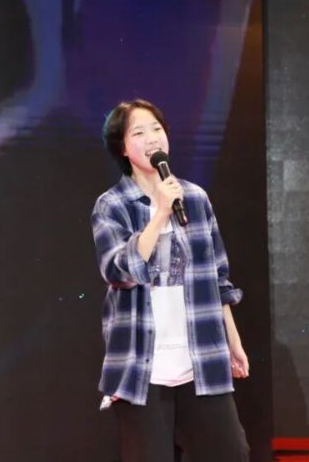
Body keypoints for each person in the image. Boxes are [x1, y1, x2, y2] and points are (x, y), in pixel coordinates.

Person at [91, 99, 251, 462]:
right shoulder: (112, 205)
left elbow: (218, 277)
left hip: (201, 356)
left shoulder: (194, 198)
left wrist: (233, 340)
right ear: (122, 147)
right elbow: (118, 271)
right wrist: (160, 213)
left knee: (232, 453)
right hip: (141, 364)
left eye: (157, 129)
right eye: (139, 132)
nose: (152, 138)